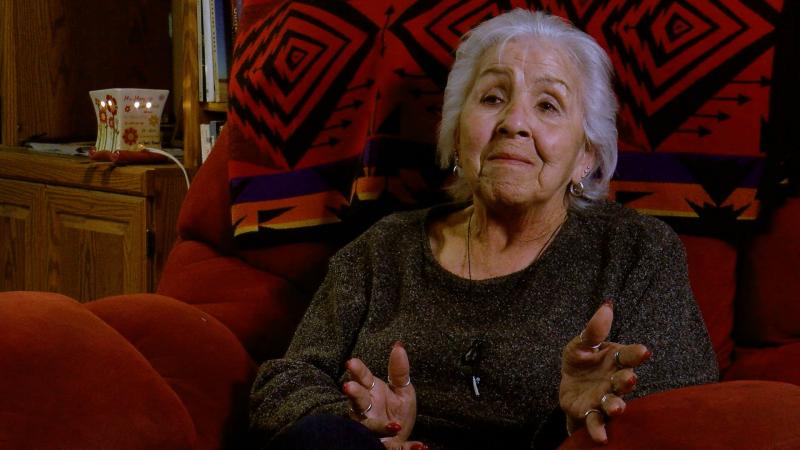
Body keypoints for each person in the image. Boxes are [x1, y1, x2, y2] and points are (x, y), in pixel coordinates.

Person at [250, 9, 718, 450]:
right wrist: (361, 423)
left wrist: (573, 422)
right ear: (456, 135)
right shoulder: (383, 248)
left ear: (586, 156)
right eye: (493, 98)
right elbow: (285, 384)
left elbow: (684, 408)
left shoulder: (635, 251)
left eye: (549, 105)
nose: (514, 122)